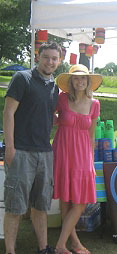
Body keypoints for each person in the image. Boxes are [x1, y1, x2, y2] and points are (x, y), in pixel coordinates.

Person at [3, 42, 62, 254]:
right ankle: (10, 251)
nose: (50, 62)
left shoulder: (54, 86)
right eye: (46, 57)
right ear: (38, 56)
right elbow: (8, 113)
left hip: (45, 153)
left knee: (41, 205)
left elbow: (46, 114)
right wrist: (10, 147)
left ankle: (43, 248)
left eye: (54, 58)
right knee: (15, 207)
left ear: (59, 61)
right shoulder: (22, 79)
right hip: (22, 151)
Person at [52, 64, 102, 254]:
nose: (80, 81)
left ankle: (61, 245)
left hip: (82, 154)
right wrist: (56, 119)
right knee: (65, 200)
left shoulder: (94, 104)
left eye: (83, 78)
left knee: (80, 202)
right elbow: (51, 117)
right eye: (76, 78)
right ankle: (71, 243)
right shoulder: (62, 99)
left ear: (88, 82)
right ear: (71, 82)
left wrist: (90, 159)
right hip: (63, 151)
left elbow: (91, 135)